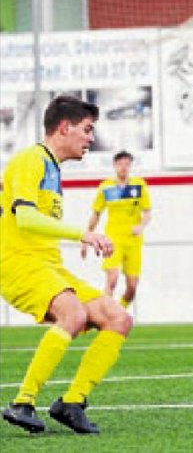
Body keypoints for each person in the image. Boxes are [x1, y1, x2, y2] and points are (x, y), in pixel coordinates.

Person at [1, 95, 133, 434]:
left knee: (118, 317)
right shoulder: (30, 160)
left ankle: (72, 403)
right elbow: (27, 219)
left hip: (48, 266)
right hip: (18, 263)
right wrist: (85, 234)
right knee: (72, 314)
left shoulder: (50, 167)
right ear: (64, 127)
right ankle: (23, 402)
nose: (91, 138)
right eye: (87, 130)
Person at [83, 150, 152, 309]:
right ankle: (105, 314)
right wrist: (86, 237)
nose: (124, 168)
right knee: (112, 279)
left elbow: (147, 212)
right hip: (113, 238)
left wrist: (140, 226)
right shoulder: (106, 187)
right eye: (120, 164)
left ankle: (119, 310)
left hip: (133, 241)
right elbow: (96, 214)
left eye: (127, 164)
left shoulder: (139, 185)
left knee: (132, 287)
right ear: (115, 165)